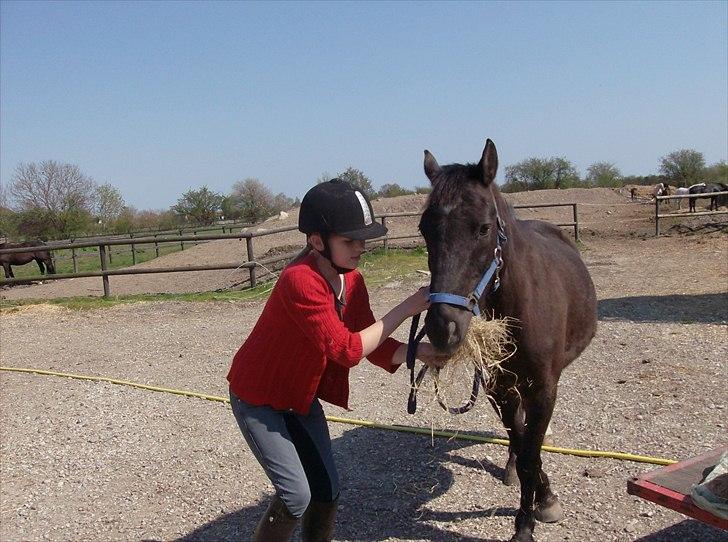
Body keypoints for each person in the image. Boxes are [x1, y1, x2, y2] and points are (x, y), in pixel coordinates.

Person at [227, 179, 445, 542]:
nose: (361, 247)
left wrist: (417, 351)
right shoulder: (300, 280)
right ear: (317, 241)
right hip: (258, 398)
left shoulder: (352, 280)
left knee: (327, 490)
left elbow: (370, 341)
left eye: (362, 239)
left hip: (299, 397)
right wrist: (406, 309)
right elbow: (347, 349)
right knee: (296, 495)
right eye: (349, 240)